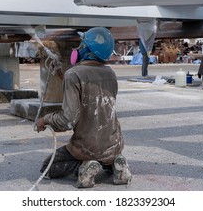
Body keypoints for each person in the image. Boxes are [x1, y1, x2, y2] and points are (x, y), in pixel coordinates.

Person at [36, 27, 132, 188]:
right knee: (106, 154)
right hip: (114, 143)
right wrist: (61, 75)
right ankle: (115, 162)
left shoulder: (73, 74)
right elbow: (89, 92)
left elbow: (68, 120)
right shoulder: (110, 74)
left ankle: (87, 165)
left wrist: (45, 120)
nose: (78, 48)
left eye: (81, 45)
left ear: (87, 50)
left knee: (47, 168)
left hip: (87, 146)